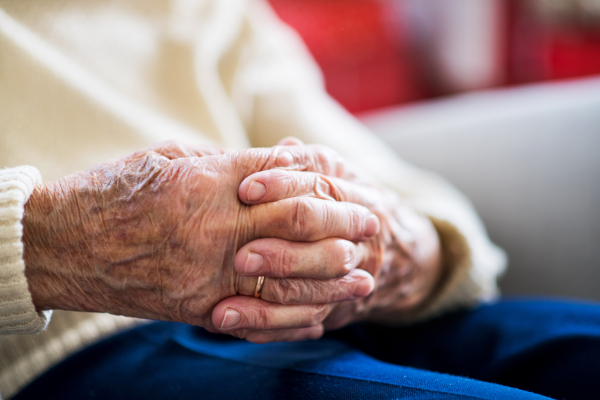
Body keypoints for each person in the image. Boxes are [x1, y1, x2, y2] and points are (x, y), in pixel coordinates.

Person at [1, 1, 599, 399]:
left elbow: (416, 203)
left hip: (342, 314)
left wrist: (387, 252)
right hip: (58, 355)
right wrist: (51, 243)